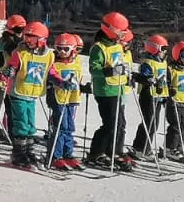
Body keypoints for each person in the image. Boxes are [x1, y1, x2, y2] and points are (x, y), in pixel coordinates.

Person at [0, 21, 52, 169]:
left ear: (42, 39)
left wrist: (57, 80)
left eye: (31, 38)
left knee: (30, 124)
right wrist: (9, 71)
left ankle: (29, 150)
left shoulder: (48, 55)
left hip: (32, 94)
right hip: (18, 92)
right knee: (21, 122)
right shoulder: (20, 52)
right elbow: (13, 66)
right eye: (26, 37)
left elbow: (51, 70)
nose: (27, 40)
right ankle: (18, 153)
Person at [85, 11, 134, 170]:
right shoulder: (98, 48)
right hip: (105, 91)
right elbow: (94, 69)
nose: (124, 34)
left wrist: (127, 77)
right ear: (111, 30)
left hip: (117, 89)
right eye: (121, 31)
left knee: (119, 124)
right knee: (110, 124)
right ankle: (96, 153)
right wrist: (108, 71)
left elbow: (121, 65)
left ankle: (113, 151)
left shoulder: (117, 46)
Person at [0, 14, 27, 142]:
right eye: (18, 30)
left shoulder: (22, 43)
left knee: (11, 109)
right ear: (10, 29)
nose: (20, 32)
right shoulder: (5, 43)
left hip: (13, 81)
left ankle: (10, 133)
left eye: (22, 29)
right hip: (1, 79)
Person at [46, 32, 86, 169]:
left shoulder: (76, 62)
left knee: (69, 127)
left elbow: (77, 78)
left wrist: (83, 87)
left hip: (71, 99)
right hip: (58, 99)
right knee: (60, 127)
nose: (62, 52)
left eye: (66, 49)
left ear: (73, 49)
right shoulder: (53, 62)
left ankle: (68, 154)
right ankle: (55, 156)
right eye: (59, 48)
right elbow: (51, 76)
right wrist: (60, 82)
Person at [132, 33, 169, 158]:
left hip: (158, 96)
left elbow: (164, 80)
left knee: (154, 124)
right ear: (155, 49)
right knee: (149, 122)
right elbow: (146, 77)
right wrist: (152, 81)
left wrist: (164, 95)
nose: (165, 52)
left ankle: (145, 148)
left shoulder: (163, 63)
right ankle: (140, 148)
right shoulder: (148, 63)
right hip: (148, 95)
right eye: (163, 49)